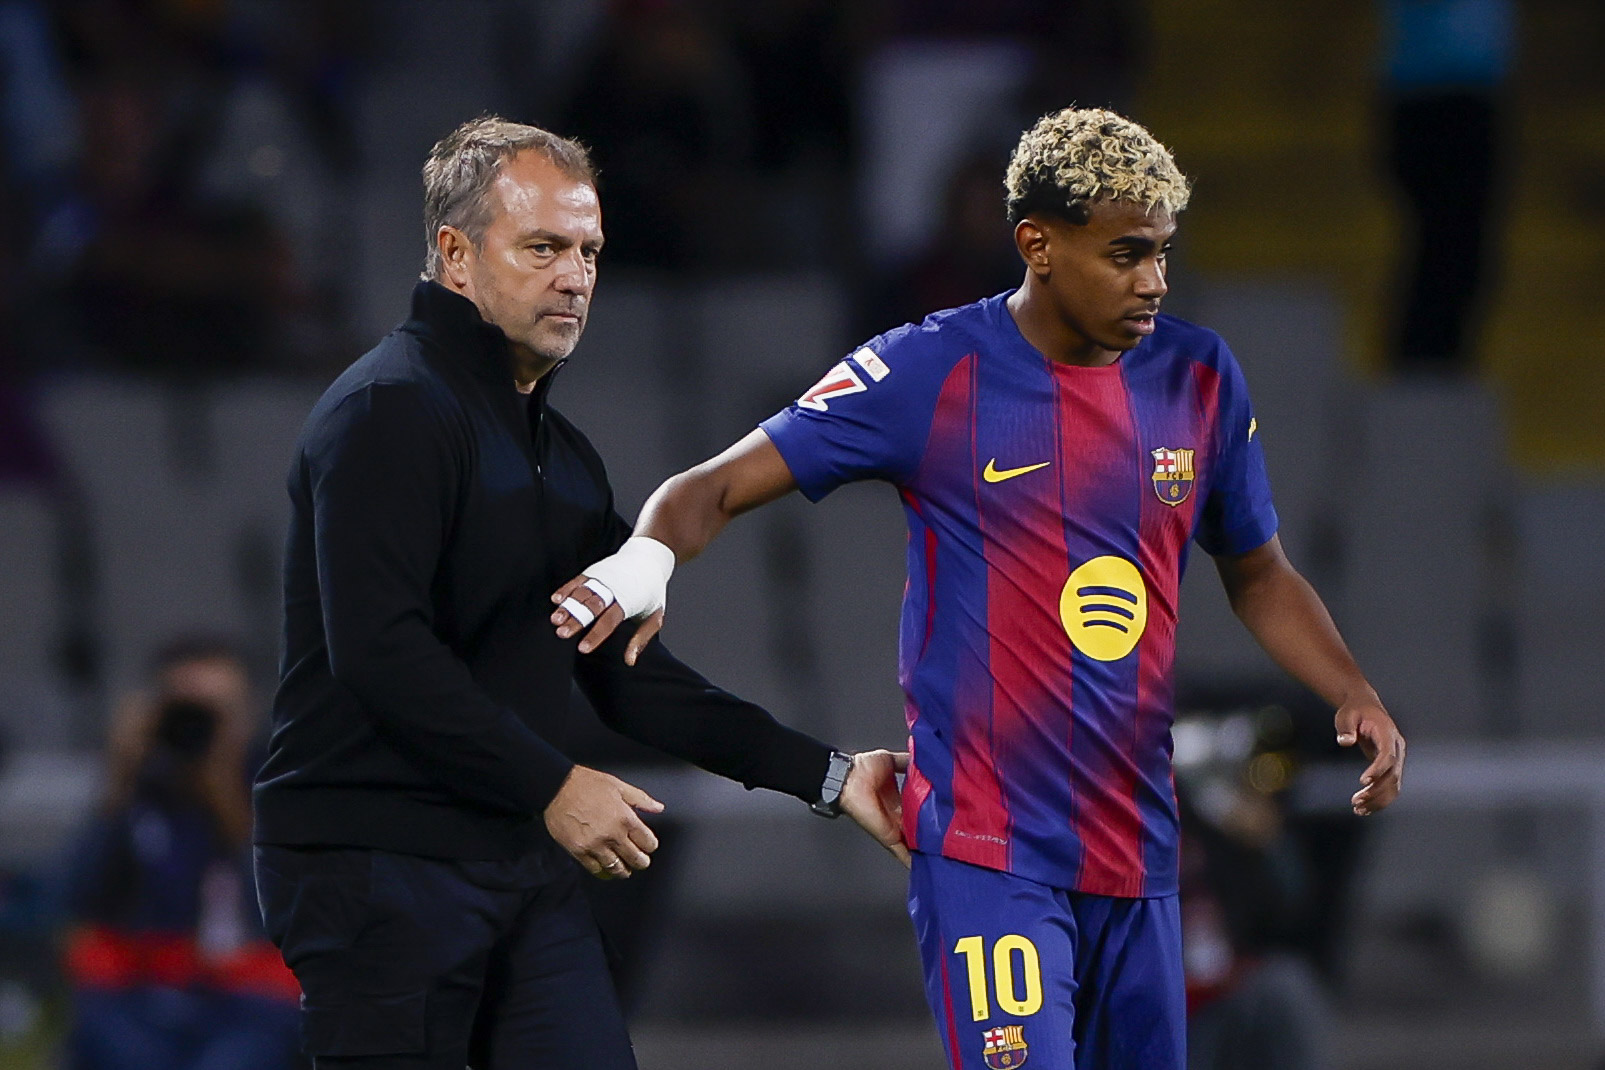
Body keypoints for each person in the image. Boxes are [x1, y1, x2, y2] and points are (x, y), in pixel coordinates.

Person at [551, 107, 1408, 1070]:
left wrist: (1351, 690)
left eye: (1163, 254)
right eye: (1126, 254)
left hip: (1141, 851)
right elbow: (708, 487)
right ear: (1036, 245)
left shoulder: (1198, 376)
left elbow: (1257, 571)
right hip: (989, 854)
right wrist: (644, 563)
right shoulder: (927, 369)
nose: (1154, 283)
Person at [251, 116, 904, 1070]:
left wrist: (831, 777)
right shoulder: (386, 411)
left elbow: (628, 674)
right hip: (371, 861)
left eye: (589, 251)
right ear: (455, 255)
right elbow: (378, 651)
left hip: (511, 858)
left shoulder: (560, 457)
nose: (575, 276)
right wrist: (552, 784)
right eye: (544, 248)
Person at [63, 637, 300, 1070]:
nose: (203, 725)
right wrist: (121, 780)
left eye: (218, 709)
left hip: (249, 1001)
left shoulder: (277, 780)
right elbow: (81, 897)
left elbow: (277, 903)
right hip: (141, 996)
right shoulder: (139, 789)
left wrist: (225, 789)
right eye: (188, 708)